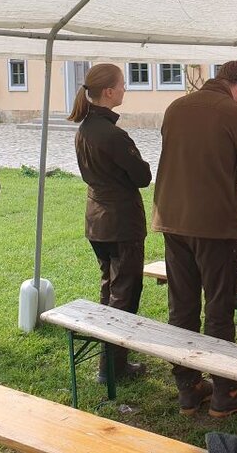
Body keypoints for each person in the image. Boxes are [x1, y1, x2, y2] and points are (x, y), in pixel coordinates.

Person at [152, 60, 237, 418]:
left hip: (172, 217)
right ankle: (225, 389)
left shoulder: (176, 107)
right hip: (215, 223)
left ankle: (188, 387)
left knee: (181, 304)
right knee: (219, 304)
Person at [69, 63, 152, 382]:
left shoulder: (85, 128)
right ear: (108, 92)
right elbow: (142, 176)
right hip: (120, 222)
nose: (124, 89)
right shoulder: (112, 134)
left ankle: (110, 358)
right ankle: (113, 365)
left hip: (97, 219)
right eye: (121, 85)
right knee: (125, 292)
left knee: (110, 288)